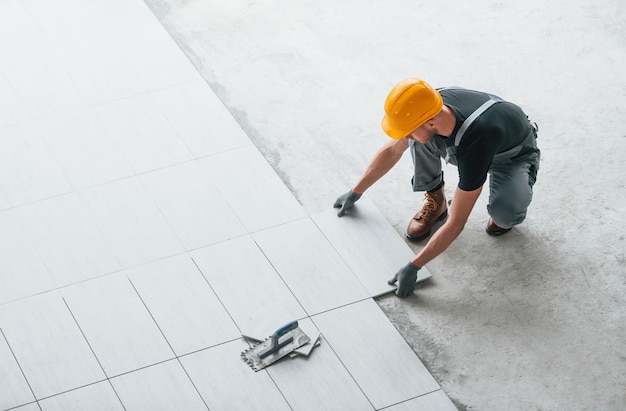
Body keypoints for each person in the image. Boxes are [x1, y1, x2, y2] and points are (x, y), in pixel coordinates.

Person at [334, 78, 540, 298]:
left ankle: (508, 202)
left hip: (510, 155)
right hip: (468, 141)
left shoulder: (477, 140)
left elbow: (457, 223)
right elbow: (394, 150)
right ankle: (437, 202)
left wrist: (415, 265)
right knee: (418, 141)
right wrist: (356, 191)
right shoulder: (428, 105)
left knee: (505, 214)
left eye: (409, 130)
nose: (406, 135)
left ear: (431, 122)